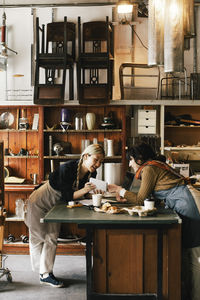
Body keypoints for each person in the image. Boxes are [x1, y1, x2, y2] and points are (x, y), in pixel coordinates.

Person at [108, 142, 200, 300]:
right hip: (186, 202)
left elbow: (139, 199)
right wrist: (125, 195)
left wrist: (119, 190)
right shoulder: (154, 165)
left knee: (193, 254)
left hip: (189, 204)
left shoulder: (148, 169)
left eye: (130, 160)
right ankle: (188, 294)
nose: (129, 164)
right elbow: (148, 196)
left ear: (138, 160)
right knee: (186, 252)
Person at [24, 144, 105, 288]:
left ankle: (46, 273)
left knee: (52, 237)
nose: (98, 165)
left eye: (101, 162)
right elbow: (67, 195)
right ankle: (42, 272)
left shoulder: (92, 174)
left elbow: (81, 193)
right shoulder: (67, 168)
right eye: (96, 160)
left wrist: (92, 192)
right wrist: (85, 190)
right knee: (39, 236)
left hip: (57, 206)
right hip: (40, 202)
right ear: (86, 156)